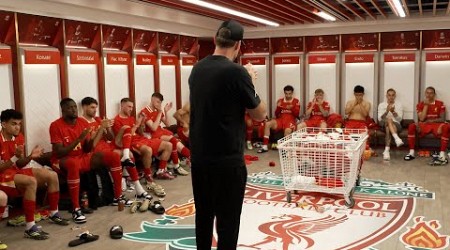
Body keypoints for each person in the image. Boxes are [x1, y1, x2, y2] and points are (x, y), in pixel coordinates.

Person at [189, 20, 267, 250]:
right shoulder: (237, 73)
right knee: (228, 221)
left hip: (200, 159)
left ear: (215, 40)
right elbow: (260, 114)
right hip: (227, 162)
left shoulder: (197, 69)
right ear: (238, 45)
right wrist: (251, 81)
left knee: (203, 216)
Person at [50, 98, 127, 224]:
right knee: (73, 164)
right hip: (62, 160)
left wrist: (92, 137)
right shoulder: (55, 125)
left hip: (81, 156)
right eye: (70, 107)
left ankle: (118, 197)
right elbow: (59, 152)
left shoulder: (82, 122)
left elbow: (87, 149)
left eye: (75, 107)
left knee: (113, 156)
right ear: (63, 110)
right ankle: (76, 208)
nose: (74, 110)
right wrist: (79, 139)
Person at [1, 109, 69, 240]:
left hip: (15, 171)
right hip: (2, 175)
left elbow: (20, 163)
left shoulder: (19, 137)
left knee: (51, 175)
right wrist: (15, 158)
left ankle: (54, 213)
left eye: (19, 124)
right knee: (31, 181)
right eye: (13, 124)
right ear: (4, 124)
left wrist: (31, 156)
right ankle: (30, 227)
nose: (17, 127)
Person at [80, 97, 152, 200]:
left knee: (126, 129)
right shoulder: (81, 122)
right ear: (84, 107)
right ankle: (127, 192)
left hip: (107, 144)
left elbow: (110, 138)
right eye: (92, 107)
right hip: (96, 151)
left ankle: (137, 184)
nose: (95, 110)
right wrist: (101, 128)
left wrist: (108, 128)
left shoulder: (97, 119)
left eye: (96, 107)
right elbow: (91, 147)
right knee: (118, 155)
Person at [112, 98, 171, 195]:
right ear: (122, 106)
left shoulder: (131, 118)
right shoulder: (117, 120)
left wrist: (142, 124)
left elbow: (138, 132)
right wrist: (137, 124)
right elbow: (125, 138)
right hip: (130, 143)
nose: (131, 109)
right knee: (148, 150)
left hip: (141, 139)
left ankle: (161, 171)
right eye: (129, 107)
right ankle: (148, 175)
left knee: (168, 145)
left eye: (132, 107)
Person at [139, 93, 190, 176]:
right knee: (173, 140)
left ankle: (175, 165)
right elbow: (153, 128)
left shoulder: (157, 110)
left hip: (160, 132)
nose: (159, 104)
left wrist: (165, 112)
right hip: (151, 135)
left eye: (160, 103)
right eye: (157, 102)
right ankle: (178, 164)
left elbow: (167, 124)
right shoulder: (145, 112)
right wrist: (159, 112)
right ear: (152, 100)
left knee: (174, 140)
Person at [404, 87, 448, 165]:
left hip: (436, 124)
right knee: (411, 126)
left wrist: (432, 121)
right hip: (424, 124)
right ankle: (411, 153)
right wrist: (426, 106)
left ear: (434, 95)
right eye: (427, 93)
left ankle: (442, 154)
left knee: (446, 126)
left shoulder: (440, 103)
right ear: (425, 94)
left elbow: (442, 118)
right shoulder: (420, 104)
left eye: (431, 93)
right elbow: (422, 118)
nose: (429, 95)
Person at [258, 85, 299, 153]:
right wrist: (278, 107)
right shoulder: (280, 101)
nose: (288, 95)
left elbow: (296, 115)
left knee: (287, 131)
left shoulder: (296, 101)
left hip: (290, 120)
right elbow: (276, 115)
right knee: (268, 124)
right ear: (284, 93)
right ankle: (265, 146)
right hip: (281, 119)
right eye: (286, 93)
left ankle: (286, 150)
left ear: (292, 93)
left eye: (289, 93)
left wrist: (292, 108)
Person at [377, 88, 404, 161]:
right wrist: (386, 111)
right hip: (383, 122)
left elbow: (400, 119)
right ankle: (396, 138)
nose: (391, 97)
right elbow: (380, 119)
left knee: (389, 126)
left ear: (395, 96)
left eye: (392, 95)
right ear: (386, 96)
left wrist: (394, 113)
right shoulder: (381, 105)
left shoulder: (399, 105)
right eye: (389, 95)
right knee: (389, 119)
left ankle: (386, 151)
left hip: (396, 124)